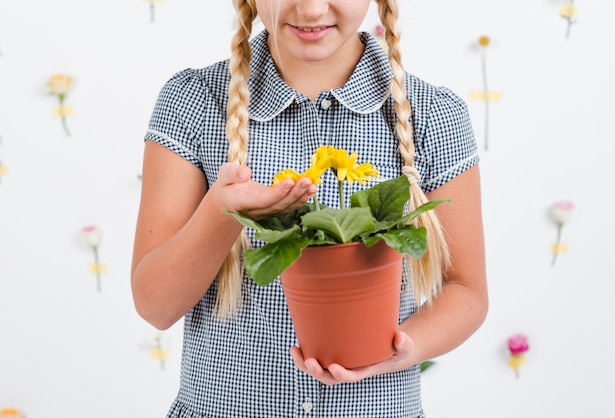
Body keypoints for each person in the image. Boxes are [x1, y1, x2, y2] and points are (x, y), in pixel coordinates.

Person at [131, 0, 488, 416]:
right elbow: (155, 306)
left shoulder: (434, 115)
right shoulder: (193, 103)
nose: (313, 9)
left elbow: (467, 291)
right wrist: (221, 212)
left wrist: (402, 350)